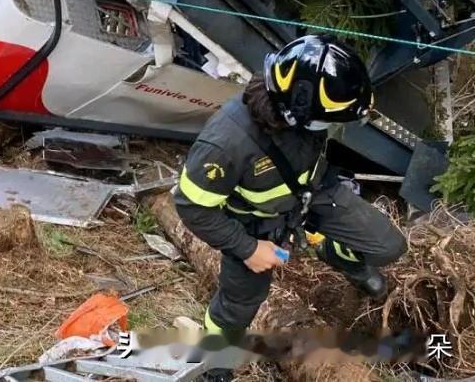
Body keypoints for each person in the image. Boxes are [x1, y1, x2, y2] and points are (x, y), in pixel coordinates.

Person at [174, 35, 406, 381]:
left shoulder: (303, 105)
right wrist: (248, 249)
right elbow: (192, 207)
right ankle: (214, 367)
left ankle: (334, 251)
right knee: (237, 306)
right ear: (294, 109)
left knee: (388, 246)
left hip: (312, 193)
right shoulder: (224, 144)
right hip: (254, 225)